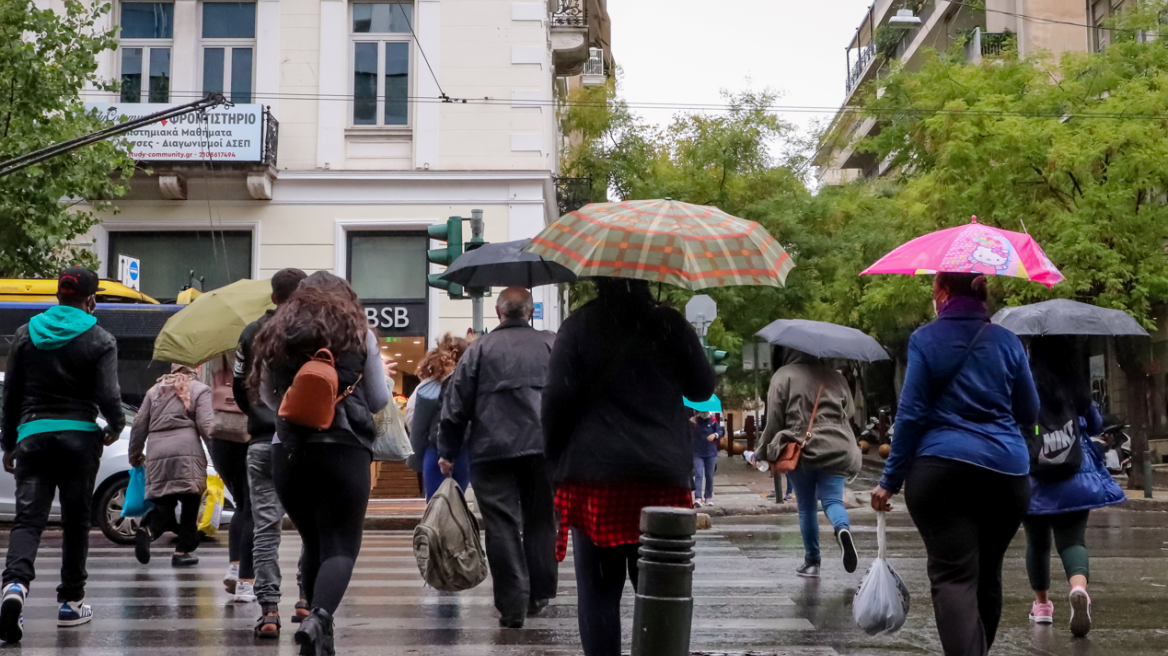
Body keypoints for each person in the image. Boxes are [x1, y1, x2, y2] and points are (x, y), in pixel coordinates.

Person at [543, 278, 715, 656]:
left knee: (598, 593)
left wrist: (554, 464)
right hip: (662, 475)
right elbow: (702, 389)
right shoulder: (669, 324)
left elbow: (555, 400)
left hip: (595, 475)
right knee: (660, 590)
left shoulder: (578, 326)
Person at [870, 272, 1039, 656]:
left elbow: (911, 415)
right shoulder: (1009, 342)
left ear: (942, 293)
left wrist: (890, 480)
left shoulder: (925, 339)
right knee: (987, 574)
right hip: (1006, 474)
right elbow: (1030, 410)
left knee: (953, 576)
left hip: (941, 471)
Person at [249, 271, 390, 656]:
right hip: (344, 449)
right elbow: (378, 399)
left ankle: (318, 635)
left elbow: (266, 396)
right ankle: (318, 616)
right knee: (341, 545)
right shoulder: (358, 335)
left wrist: (299, 409)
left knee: (312, 541)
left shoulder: (276, 333)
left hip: (289, 451)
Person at [0, 266, 124, 641]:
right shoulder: (100, 338)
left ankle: (14, 588)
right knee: (75, 521)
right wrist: (114, 427)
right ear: (91, 299)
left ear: (58, 295)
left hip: (33, 436)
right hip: (79, 439)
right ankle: (71, 603)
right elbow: (108, 395)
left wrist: (9, 444)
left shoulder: (25, 334)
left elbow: (12, 396)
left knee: (28, 520)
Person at [438, 288, 557, 628]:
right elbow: (568, 395)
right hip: (542, 448)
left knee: (501, 524)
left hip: (492, 450)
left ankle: (512, 604)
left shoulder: (479, 350)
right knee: (540, 519)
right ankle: (539, 593)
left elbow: (455, 405)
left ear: (498, 311)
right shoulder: (550, 344)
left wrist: (447, 450)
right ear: (530, 312)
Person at [1023, 336, 1125, 637]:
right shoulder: (1074, 385)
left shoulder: (1025, 380)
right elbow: (1094, 425)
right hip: (1074, 476)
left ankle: (1041, 607)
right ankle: (1079, 589)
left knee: (1037, 544)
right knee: (1073, 542)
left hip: (1034, 478)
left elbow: (1014, 418)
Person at [232, 268, 306, 637]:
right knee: (314, 527)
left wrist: (261, 418)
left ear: (273, 296)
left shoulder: (249, 333)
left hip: (263, 440)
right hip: (305, 440)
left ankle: (269, 611)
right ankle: (306, 600)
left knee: (265, 528)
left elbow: (238, 386)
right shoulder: (311, 332)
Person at [755, 347, 862, 577]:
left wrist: (762, 451)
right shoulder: (837, 377)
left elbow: (773, 419)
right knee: (833, 501)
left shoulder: (783, 376)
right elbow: (850, 411)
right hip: (837, 448)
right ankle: (842, 529)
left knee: (806, 507)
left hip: (801, 448)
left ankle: (812, 562)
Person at [128, 365, 215, 567]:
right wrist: (217, 458)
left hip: (158, 451)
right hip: (187, 451)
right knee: (191, 501)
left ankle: (148, 530)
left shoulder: (153, 391)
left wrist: (135, 455)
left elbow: (139, 424)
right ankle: (181, 551)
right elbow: (207, 426)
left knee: (164, 500)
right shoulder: (200, 389)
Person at [406, 334, 470, 499]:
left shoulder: (429, 386)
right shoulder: (468, 383)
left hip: (435, 449)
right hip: (463, 450)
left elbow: (412, 416)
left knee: (435, 506)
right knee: (457, 504)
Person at [690, 411, 722, 507]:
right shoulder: (694, 421)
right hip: (697, 452)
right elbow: (688, 434)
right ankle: (698, 498)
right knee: (698, 474)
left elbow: (720, 431)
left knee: (709, 475)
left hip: (710, 452)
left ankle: (708, 497)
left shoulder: (713, 421)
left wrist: (715, 435)